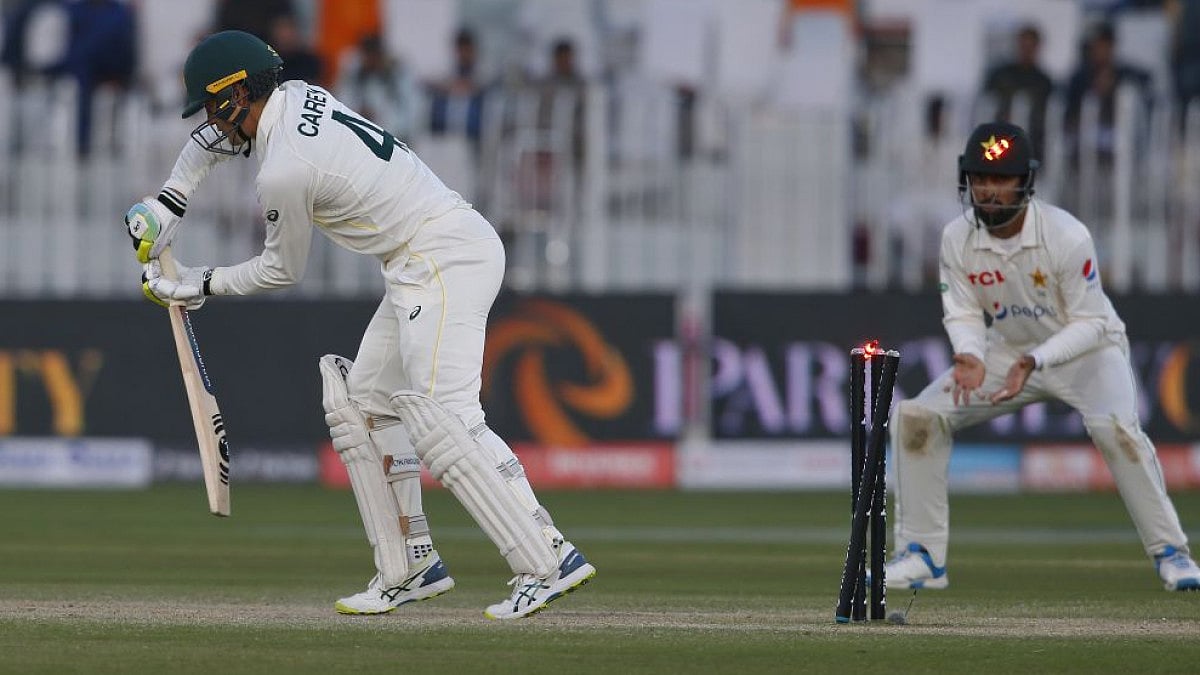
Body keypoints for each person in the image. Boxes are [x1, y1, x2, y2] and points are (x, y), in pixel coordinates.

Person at [122, 30, 596, 618]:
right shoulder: (295, 93)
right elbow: (206, 147)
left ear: (241, 92)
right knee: (364, 405)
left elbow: (280, 271)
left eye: (218, 109)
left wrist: (197, 283)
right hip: (419, 259)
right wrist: (166, 204)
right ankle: (411, 564)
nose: (215, 124)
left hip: (443, 256)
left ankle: (547, 558)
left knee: (448, 418)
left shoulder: (285, 171)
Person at [883, 121, 1200, 593]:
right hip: (1006, 352)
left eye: (1002, 179)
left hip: (1088, 350)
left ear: (1025, 182)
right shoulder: (957, 237)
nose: (989, 191)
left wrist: (1035, 361)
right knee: (916, 417)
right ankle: (922, 555)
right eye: (980, 178)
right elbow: (964, 309)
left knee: (1115, 432)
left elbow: (1091, 322)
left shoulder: (1066, 236)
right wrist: (969, 354)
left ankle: (1172, 553)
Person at [981, 23, 1054, 161]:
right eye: (1023, 46)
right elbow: (988, 104)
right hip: (1001, 140)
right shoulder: (1002, 76)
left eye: (1030, 46)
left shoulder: (1043, 81)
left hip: (1033, 143)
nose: (1026, 51)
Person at [335, 34, 423, 144]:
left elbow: (411, 112)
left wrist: (378, 121)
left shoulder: (398, 75)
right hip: (359, 137)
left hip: (395, 139)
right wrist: (358, 115)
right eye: (367, 57)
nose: (370, 61)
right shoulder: (355, 75)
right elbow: (342, 101)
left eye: (374, 57)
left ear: (380, 55)